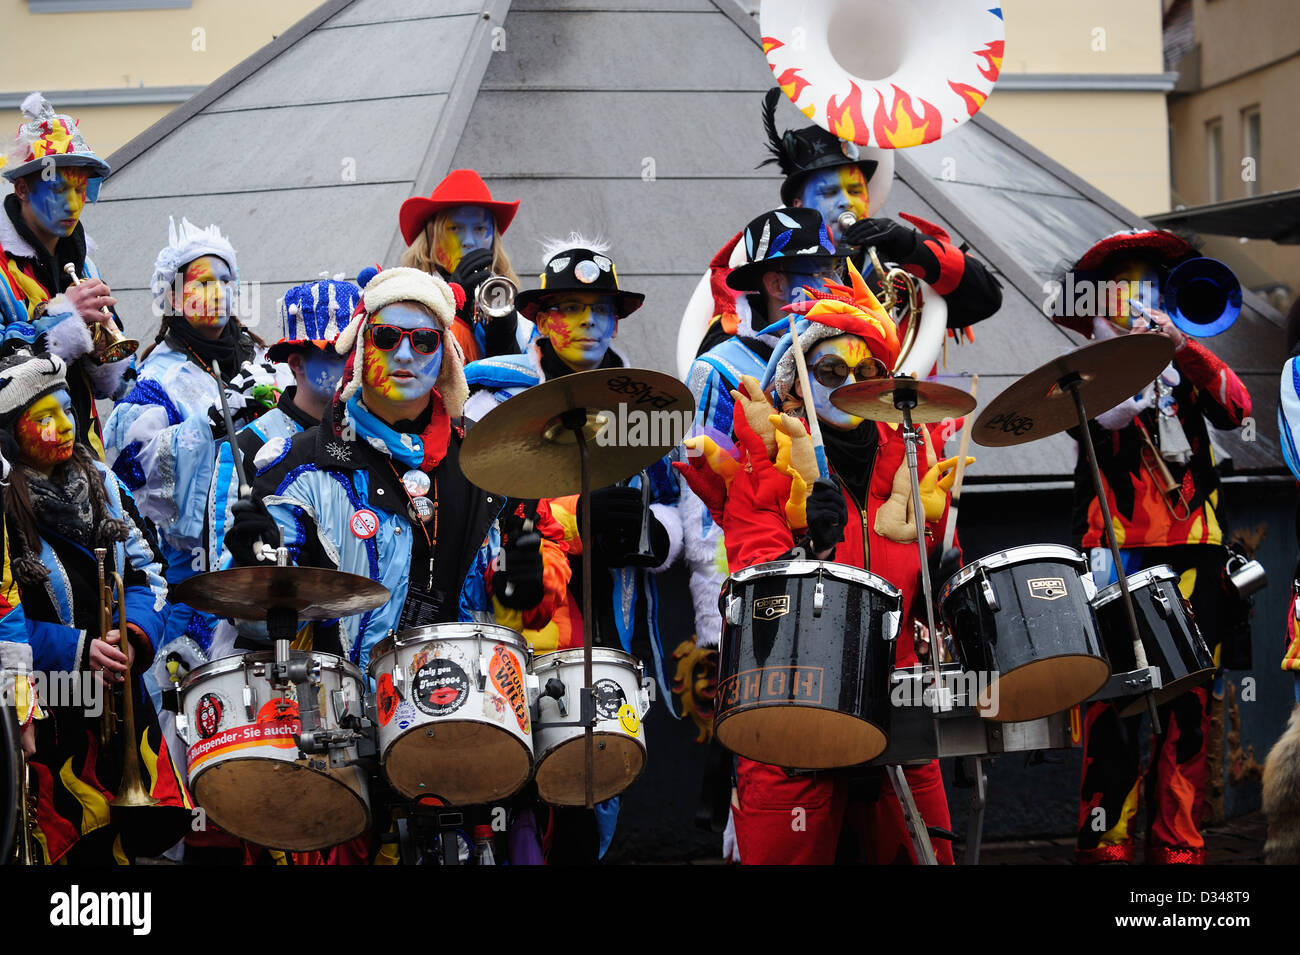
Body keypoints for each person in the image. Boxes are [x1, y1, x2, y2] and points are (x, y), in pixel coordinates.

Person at [676, 262, 965, 865]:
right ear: (799, 378)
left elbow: (926, 576)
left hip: (896, 708)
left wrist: (944, 567)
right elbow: (759, 591)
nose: (851, 381)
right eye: (831, 370)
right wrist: (812, 548)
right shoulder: (766, 456)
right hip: (791, 711)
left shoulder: (910, 457)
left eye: (868, 371)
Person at [464, 237, 681, 862]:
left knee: (594, 791)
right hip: (521, 618)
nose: (588, 322)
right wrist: (563, 524)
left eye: (601, 308)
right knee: (523, 797)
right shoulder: (493, 400)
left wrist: (646, 534)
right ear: (537, 317)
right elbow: (478, 519)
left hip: (613, 627)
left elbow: (680, 506)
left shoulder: (646, 405)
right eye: (569, 307)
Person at [1057, 229, 1252, 865]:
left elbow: (1238, 408)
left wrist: (1182, 351)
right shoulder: (1083, 369)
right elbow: (1082, 424)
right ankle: (1107, 843)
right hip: (1118, 552)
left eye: (1150, 281)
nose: (1140, 294)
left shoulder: (1188, 365)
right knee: (1115, 706)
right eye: (1126, 283)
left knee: (1190, 708)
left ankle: (1180, 847)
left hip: (1198, 551)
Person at [0, 351, 190, 863]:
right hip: (47, 713)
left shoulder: (105, 482)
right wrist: (79, 650)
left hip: (120, 708)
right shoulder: (2, 504)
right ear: (9, 434)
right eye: (44, 418)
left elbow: (149, 575)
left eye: (67, 409)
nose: (65, 426)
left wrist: (132, 636)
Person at [102, 218, 285, 660]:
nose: (218, 292)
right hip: (195, 586)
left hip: (272, 568)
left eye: (226, 280)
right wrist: (209, 425)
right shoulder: (152, 380)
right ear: (173, 295)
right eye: (202, 282)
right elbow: (132, 478)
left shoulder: (266, 361)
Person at [204, 276, 357, 661]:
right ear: (296, 362)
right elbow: (223, 582)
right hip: (280, 663)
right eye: (336, 353)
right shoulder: (246, 447)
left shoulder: (371, 439)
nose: (351, 364)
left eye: (356, 350)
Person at [0, 93, 132, 457]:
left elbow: (110, 388)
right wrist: (60, 322)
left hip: (83, 454)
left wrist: (105, 351)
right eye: (59, 189)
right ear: (22, 188)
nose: (74, 205)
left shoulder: (84, 259)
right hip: (17, 467)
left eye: (79, 189)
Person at [399, 168, 531, 362]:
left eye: (480, 228)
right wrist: (452, 309)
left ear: (493, 238)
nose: (468, 241)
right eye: (454, 228)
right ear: (430, 236)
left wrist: (505, 338)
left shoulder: (507, 299)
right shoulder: (403, 297)